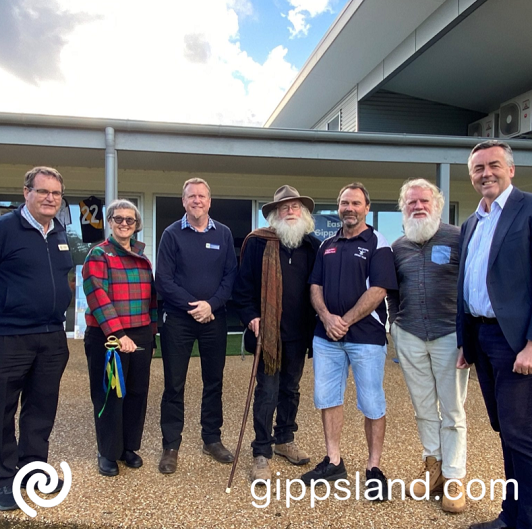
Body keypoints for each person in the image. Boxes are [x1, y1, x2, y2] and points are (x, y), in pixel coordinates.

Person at [301, 182, 397, 500]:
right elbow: (315, 285)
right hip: (326, 336)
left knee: (372, 402)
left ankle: (373, 469)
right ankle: (333, 460)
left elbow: (379, 289)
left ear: (366, 208)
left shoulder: (378, 243)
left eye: (356, 203)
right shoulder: (327, 244)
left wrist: (346, 320)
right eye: (344, 203)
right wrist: (328, 318)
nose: (349, 208)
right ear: (338, 207)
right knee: (328, 398)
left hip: (366, 337)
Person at [457, 140, 532, 529]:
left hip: (516, 342)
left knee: (522, 437)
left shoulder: (529, 209)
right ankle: (511, 515)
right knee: (505, 431)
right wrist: (464, 342)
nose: (486, 173)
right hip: (481, 340)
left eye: (494, 165)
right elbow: (466, 286)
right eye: (478, 168)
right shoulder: (472, 222)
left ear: (511, 169)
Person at [387, 178, 468, 513]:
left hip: (450, 334)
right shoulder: (398, 246)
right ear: (403, 209)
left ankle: (454, 477)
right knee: (423, 408)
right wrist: (394, 324)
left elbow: (472, 284)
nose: (417, 207)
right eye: (411, 202)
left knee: (452, 410)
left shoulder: (459, 238)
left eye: (423, 201)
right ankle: (432, 466)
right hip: (410, 335)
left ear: (437, 204)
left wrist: (469, 337)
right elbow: (392, 291)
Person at [233, 185, 321, 482]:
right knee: (267, 391)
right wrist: (251, 317)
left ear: (304, 212)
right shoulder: (258, 244)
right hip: (267, 334)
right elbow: (242, 289)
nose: (290, 211)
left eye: (295, 206)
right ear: (274, 214)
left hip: (299, 333)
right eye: (283, 207)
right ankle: (261, 451)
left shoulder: (312, 246)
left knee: (291, 389)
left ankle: (285, 439)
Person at [0, 167, 72, 511]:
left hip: (52, 336)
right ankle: (2, 478)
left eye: (56, 193)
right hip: (10, 335)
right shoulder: (5, 229)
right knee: (3, 409)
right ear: (26, 192)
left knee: (41, 408)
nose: (50, 198)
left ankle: (31, 469)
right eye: (43, 191)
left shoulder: (59, 232)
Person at [155, 178, 238, 473]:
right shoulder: (171, 234)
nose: (197, 200)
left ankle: (211, 439)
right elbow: (163, 280)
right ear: (184, 201)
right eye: (191, 196)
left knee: (213, 382)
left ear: (209, 201)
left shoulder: (224, 234)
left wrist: (211, 305)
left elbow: (230, 276)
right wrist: (195, 306)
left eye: (202, 196)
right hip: (178, 319)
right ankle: (171, 446)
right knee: (174, 384)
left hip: (214, 319)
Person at [83, 199, 157, 477]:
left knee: (137, 393)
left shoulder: (144, 257)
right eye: (118, 219)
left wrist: (151, 333)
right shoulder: (98, 254)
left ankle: (128, 448)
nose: (124, 223)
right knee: (110, 394)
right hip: (109, 337)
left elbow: (151, 298)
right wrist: (118, 333)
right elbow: (97, 295)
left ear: (136, 225)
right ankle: (108, 452)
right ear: (110, 222)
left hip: (140, 333)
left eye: (129, 220)